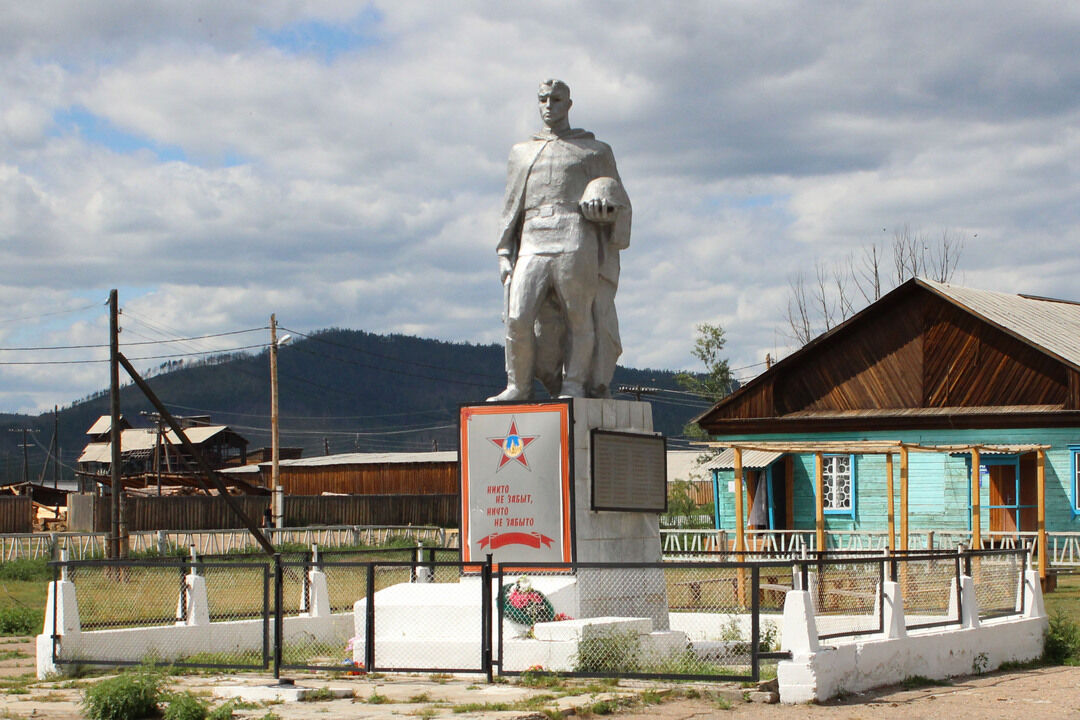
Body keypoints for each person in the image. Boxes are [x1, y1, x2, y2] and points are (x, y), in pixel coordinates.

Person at [487, 79, 630, 401]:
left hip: (575, 232)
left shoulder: (595, 150)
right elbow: (511, 204)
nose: (549, 105)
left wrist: (605, 209)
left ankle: (575, 384)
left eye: (556, 99)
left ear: (568, 104)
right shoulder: (521, 152)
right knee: (517, 316)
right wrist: (503, 249)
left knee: (578, 315)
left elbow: (619, 199)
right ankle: (518, 386)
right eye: (543, 99)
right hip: (533, 236)